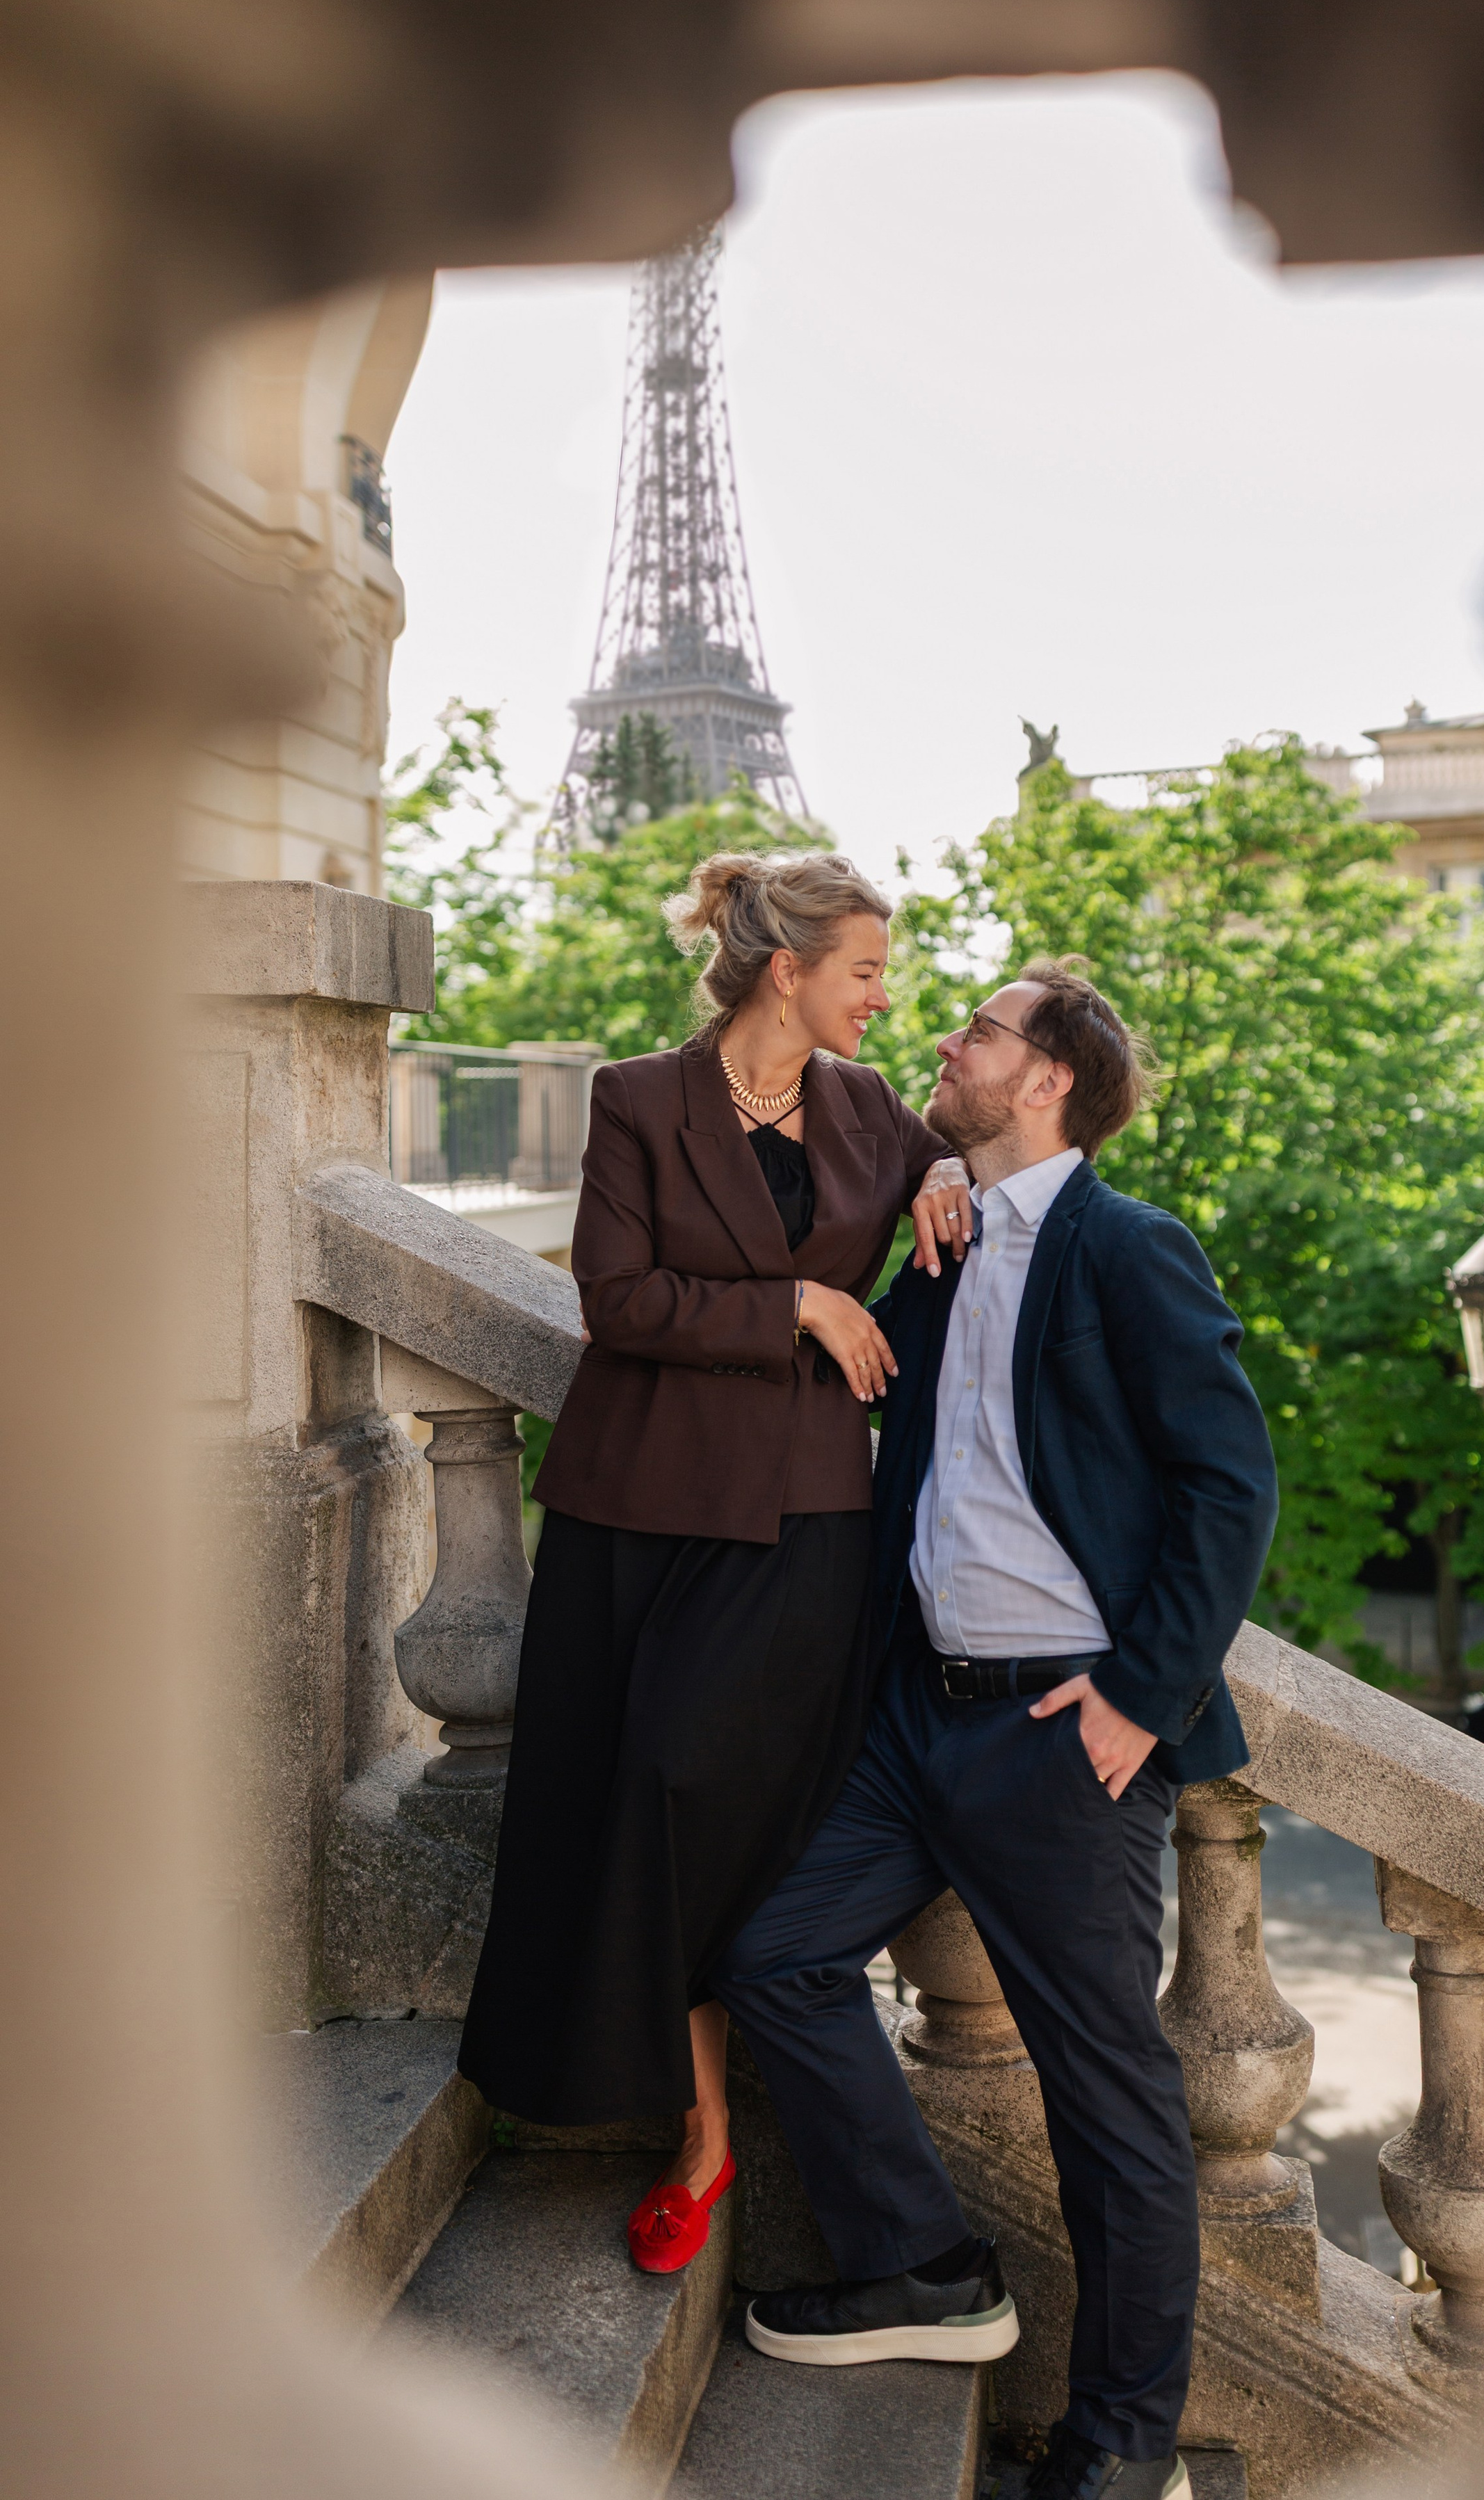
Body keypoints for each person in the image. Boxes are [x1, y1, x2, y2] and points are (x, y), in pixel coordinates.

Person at [711, 960, 1279, 2500]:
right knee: (769, 1954)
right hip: (913, 1718)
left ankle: (1116, 2448)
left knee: (1110, 2106)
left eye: (976, 1031)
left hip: (1057, 1732)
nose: (944, 1045)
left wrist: (1137, 1697)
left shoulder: (1128, 1250)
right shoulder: (949, 1245)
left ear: (1043, 1082)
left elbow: (1231, 1488)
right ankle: (924, 2264)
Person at [456, 850, 968, 2275]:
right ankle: (697, 2132)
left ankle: (711, 2117)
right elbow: (616, 1299)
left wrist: (936, 1171)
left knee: (712, 1790)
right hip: (637, 1507)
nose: (884, 994)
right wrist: (800, 1298)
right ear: (784, 968)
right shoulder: (636, 1098)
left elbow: (950, 1147)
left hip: (808, 1510)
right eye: (864, 968)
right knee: (624, 1793)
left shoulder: (871, 1106)